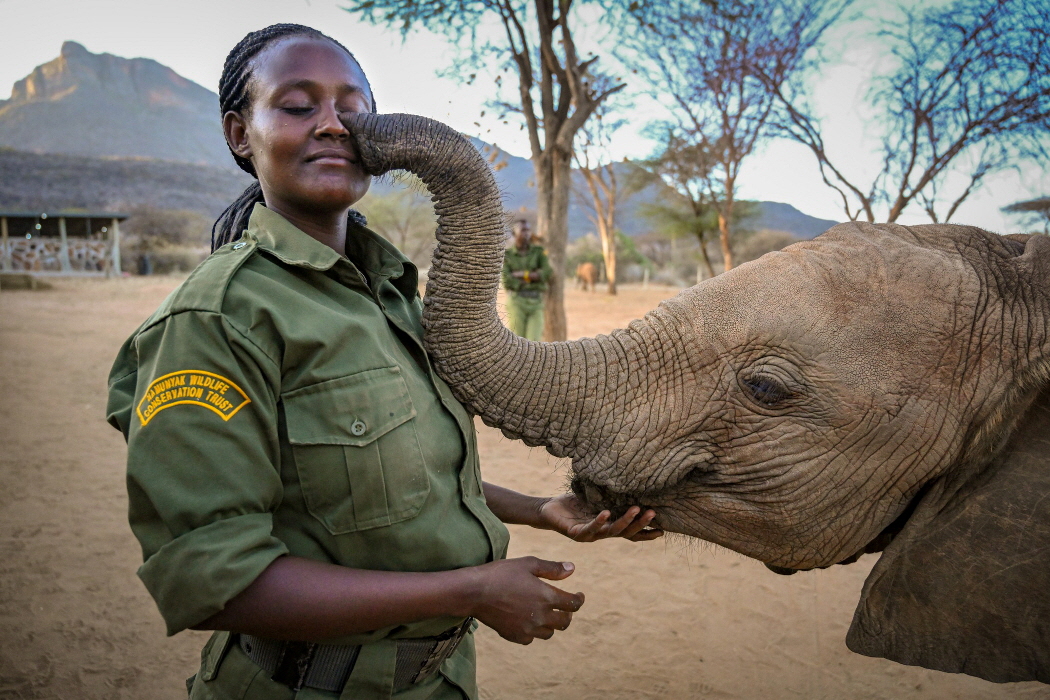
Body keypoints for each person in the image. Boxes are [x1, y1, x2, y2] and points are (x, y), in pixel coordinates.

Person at [105, 24, 662, 700]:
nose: (334, 124)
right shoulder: (216, 321)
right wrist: (473, 589)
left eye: (353, 105)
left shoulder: (389, 294)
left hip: (438, 682)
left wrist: (540, 510)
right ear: (238, 133)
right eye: (297, 105)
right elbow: (219, 584)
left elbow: (378, 480)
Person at [501, 219, 552, 341]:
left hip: (536, 302)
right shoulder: (507, 255)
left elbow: (547, 272)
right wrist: (534, 277)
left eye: (528, 230)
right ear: (515, 233)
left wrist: (523, 275)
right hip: (516, 301)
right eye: (523, 230)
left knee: (534, 344)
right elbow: (507, 281)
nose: (527, 233)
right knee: (517, 342)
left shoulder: (538, 252)